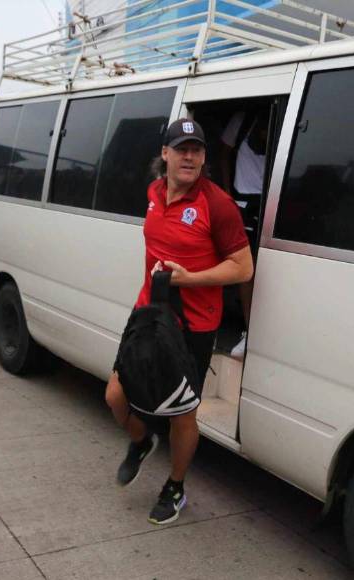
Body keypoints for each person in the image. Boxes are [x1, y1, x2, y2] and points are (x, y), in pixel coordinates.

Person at [105, 118, 253, 525]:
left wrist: (191, 279)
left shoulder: (217, 204)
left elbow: (243, 268)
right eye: (181, 148)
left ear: (204, 158)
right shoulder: (154, 192)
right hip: (149, 312)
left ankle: (175, 487)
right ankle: (140, 440)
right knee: (116, 396)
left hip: (194, 325)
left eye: (197, 150)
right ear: (165, 154)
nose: (190, 156)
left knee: (182, 415)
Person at [219, 109, 270, 359]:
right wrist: (228, 192)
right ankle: (249, 331)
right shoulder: (242, 120)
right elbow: (225, 151)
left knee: (268, 271)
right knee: (245, 271)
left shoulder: (281, 116)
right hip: (241, 201)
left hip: (270, 202)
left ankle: (261, 332)